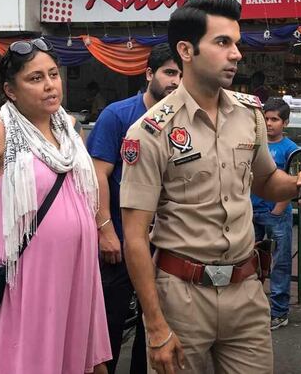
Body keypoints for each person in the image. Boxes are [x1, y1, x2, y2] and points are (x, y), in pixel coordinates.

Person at [120, 0, 301, 374]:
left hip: (246, 293)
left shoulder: (249, 114)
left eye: (236, 43)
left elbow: (264, 181)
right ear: (186, 50)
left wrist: (298, 185)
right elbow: (134, 236)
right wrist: (156, 326)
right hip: (181, 298)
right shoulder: (150, 131)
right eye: (222, 43)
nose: (236, 55)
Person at [0, 38, 112, 374]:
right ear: (11, 90)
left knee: (76, 358)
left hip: (75, 271)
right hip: (22, 278)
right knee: (24, 359)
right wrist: (2, 237)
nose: (50, 85)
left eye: (53, 74)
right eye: (35, 78)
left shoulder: (71, 129)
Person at [87, 43, 181, 374]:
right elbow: (98, 173)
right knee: (109, 324)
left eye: (182, 75)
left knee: (155, 327)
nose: (176, 82)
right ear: (149, 74)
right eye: (169, 73)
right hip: (122, 243)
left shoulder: (185, 121)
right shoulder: (118, 115)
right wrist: (106, 229)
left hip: (167, 243)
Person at [251, 98, 298, 331]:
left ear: (285, 122)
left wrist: (277, 209)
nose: (269, 124)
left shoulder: (291, 149)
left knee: (279, 264)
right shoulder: (254, 143)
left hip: (276, 214)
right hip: (251, 212)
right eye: (265, 118)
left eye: (274, 119)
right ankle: (253, 310)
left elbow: (292, 183)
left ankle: (279, 312)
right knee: (251, 263)